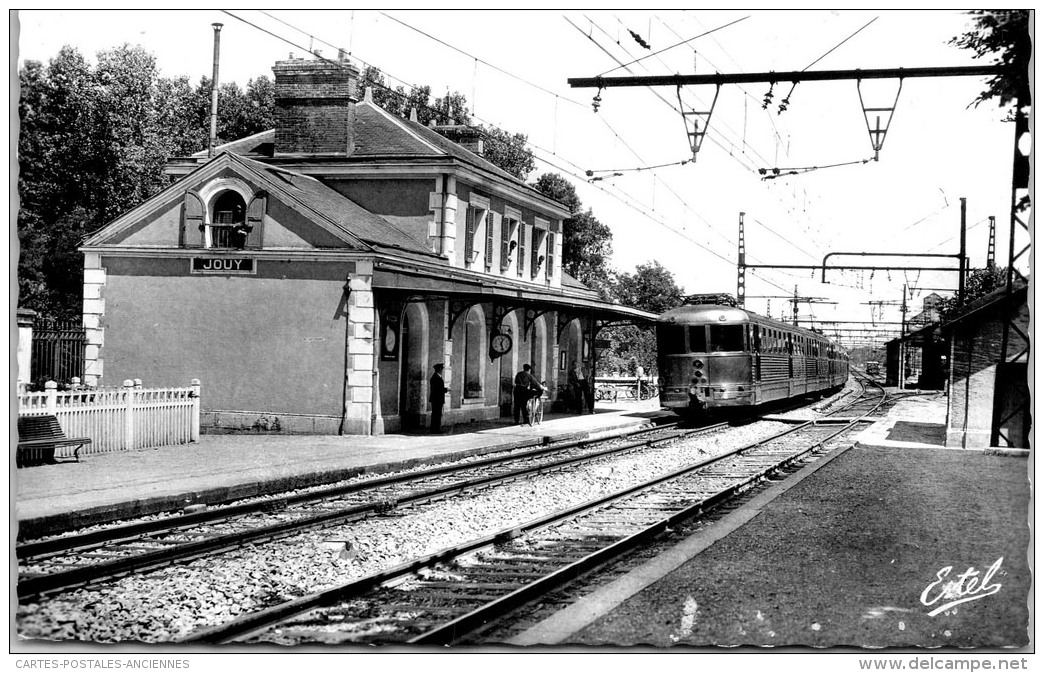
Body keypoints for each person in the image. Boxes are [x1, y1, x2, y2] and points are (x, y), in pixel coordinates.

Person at [429, 363, 447, 433]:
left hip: (436, 399)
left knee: (437, 414)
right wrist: (445, 390)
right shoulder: (436, 378)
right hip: (437, 399)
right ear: (439, 369)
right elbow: (437, 390)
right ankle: (435, 429)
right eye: (441, 369)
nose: (442, 370)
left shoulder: (436, 377)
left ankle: (435, 429)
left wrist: (444, 389)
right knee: (436, 414)